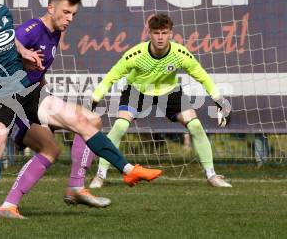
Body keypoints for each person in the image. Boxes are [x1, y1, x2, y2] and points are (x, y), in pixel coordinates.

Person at [0, 0, 162, 224]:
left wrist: (23, 51)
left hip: (25, 88)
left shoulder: (3, 13)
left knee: (83, 119)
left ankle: (129, 171)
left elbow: (9, 39)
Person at [0, 0, 110, 219]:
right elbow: (9, 44)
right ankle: (8, 206)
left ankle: (75, 187)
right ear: (51, 7)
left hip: (34, 99)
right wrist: (22, 54)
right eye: (66, 12)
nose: (69, 19)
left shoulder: (55, 32)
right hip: (10, 102)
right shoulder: (32, 28)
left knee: (89, 121)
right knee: (51, 147)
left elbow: (39, 73)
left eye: (73, 14)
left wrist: (43, 99)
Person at [89, 13, 232, 189]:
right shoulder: (136, 54)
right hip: (137, 90)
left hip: (169, 92)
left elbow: (202, 76)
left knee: (195, 125)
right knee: (119, 126)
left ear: (171, 33)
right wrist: (96, 96)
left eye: (164, 33)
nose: (160, 37)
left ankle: (211, 176)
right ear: (149, 33)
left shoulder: (180, 53)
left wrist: (219, 99)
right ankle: (100, 176)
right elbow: (112, 75)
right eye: (156, 33)